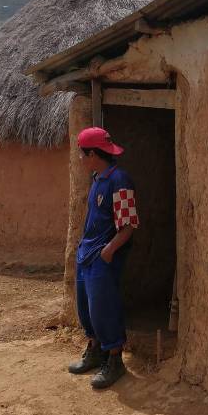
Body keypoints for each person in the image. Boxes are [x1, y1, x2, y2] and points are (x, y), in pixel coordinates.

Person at [68, 127, 139, 389]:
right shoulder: (99, 178)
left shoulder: (119, 180)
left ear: (93, 154)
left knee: (104, 307)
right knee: (86, 307)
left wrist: (108, 252)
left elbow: (129, 225)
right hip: (87, 253)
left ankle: (114, 360)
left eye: (81, 154)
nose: (79, 159)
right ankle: (95, 350)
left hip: (102, 255)